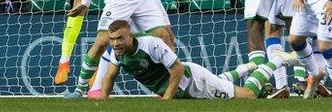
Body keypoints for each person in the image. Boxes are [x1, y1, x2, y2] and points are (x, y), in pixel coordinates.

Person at [100, 20, 299, 100]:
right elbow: (109, 76)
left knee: (248, 95)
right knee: (220, 80)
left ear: (130, 37)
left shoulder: (150, 44)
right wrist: (103, 101)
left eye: (119, 38)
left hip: (193, 82)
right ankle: (246, 68)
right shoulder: (117, 52)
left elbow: (177, 69)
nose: (115, 43)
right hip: (185, 86)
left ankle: (278, 60)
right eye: (112, 39)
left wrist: (167, 99)